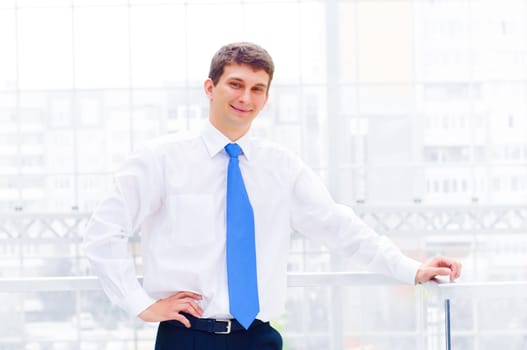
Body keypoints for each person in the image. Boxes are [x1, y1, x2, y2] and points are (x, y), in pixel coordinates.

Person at [83, 42, 461, 350]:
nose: (245, 97)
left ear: (265, 97)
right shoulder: (160, 159)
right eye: (235, 84)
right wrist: (141, 304)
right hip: (190, 337)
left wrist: (410, 268)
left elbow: (337, 225)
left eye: (257, 88)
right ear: (210, 88)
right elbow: (104, 232)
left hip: (260, 338)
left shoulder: (280, 166)